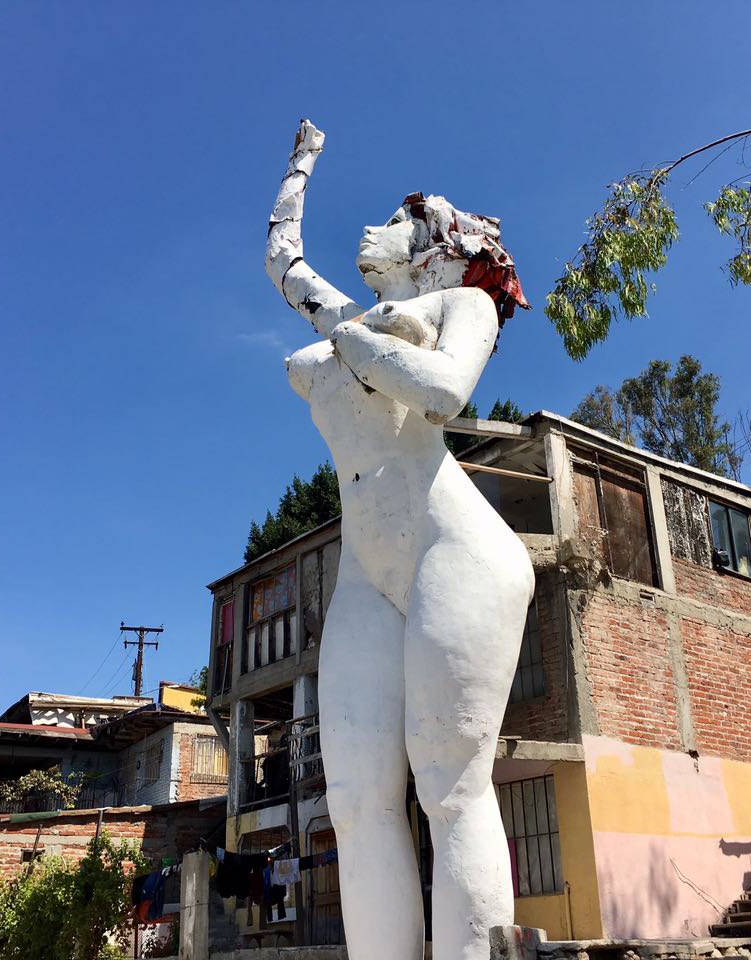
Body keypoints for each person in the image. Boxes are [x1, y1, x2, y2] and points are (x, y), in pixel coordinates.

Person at [265, 120, 535, 960]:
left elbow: (446, 390)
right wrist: (300, 167)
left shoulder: (463, 304)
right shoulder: (359, 315)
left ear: (433, 247)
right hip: (367, 572)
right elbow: (282, 263)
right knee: (355, 801)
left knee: (450, 781)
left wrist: (351, 336)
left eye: (395, 218)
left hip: (454, 554)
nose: (371, 226)